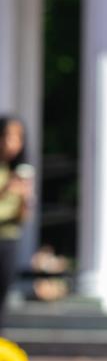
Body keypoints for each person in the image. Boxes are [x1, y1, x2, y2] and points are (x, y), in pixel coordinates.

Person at [0, 116, 34, 332]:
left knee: (2, 296)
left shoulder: (20, 171)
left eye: (17, 137)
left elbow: (23, 218)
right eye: (7, 136)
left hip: (8, 238)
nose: (11, 142)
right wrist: (5, 190)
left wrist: (25, 198)